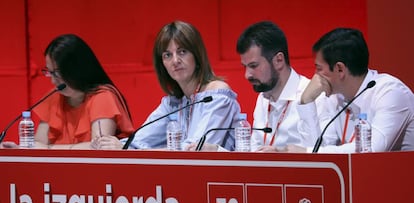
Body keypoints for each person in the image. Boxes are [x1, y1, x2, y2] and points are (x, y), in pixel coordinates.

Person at [94, 20, 241, 150]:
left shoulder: (217, 95)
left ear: (197, 55)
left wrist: (133, 149)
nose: (175, 61)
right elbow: (139, 140)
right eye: (167, 55)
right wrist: (117, 145)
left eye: (182, 52)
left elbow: (196, 149)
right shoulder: (173, 103)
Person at [282, 28, 414, 153]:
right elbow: (317, 155)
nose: (315, 76)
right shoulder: (334, 96)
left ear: (340, 69)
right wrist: (307, 101)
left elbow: (370, 151)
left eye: (319, 68)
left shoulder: (391, 93)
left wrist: (309, 152)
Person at [188, 20, 310, 152]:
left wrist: (282, 154)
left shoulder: (311, 96)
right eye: (245, 67)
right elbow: (252, 155)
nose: (247, 75)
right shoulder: (263, 98)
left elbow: (319, 153)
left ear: (279, 60)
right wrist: (217, 150)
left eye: (253, 66)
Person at [1, 34, 134, 149]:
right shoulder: (54, 97)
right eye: (49, 72)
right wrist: (19, 149)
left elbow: (99, 147)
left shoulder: (102, 97)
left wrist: (49, 148)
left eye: (57, 73)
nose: (53, 80)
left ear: (76, 70)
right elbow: (37, 145)